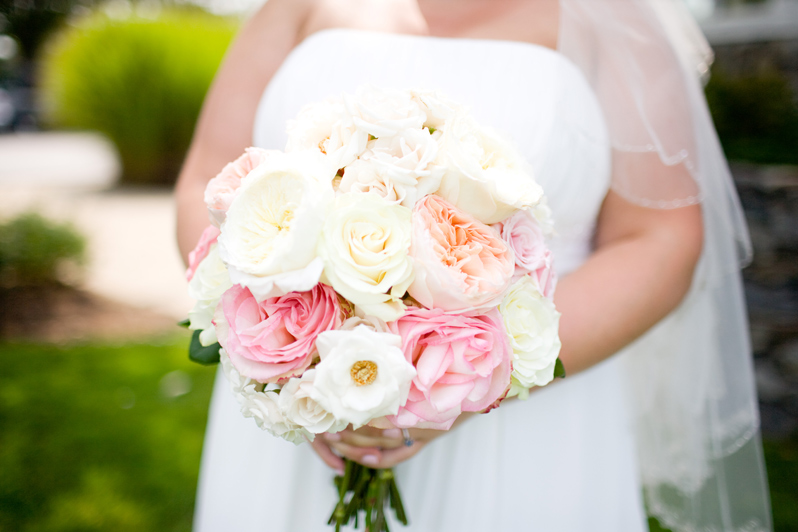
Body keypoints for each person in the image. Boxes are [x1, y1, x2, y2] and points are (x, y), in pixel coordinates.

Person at [175, 1, 772, 530]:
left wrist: (463, 381)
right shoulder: (294, 7)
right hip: (302, 414)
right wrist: (298, 359)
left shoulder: (616, 23)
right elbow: (209, 177)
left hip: (526, 422)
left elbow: (659, 238)